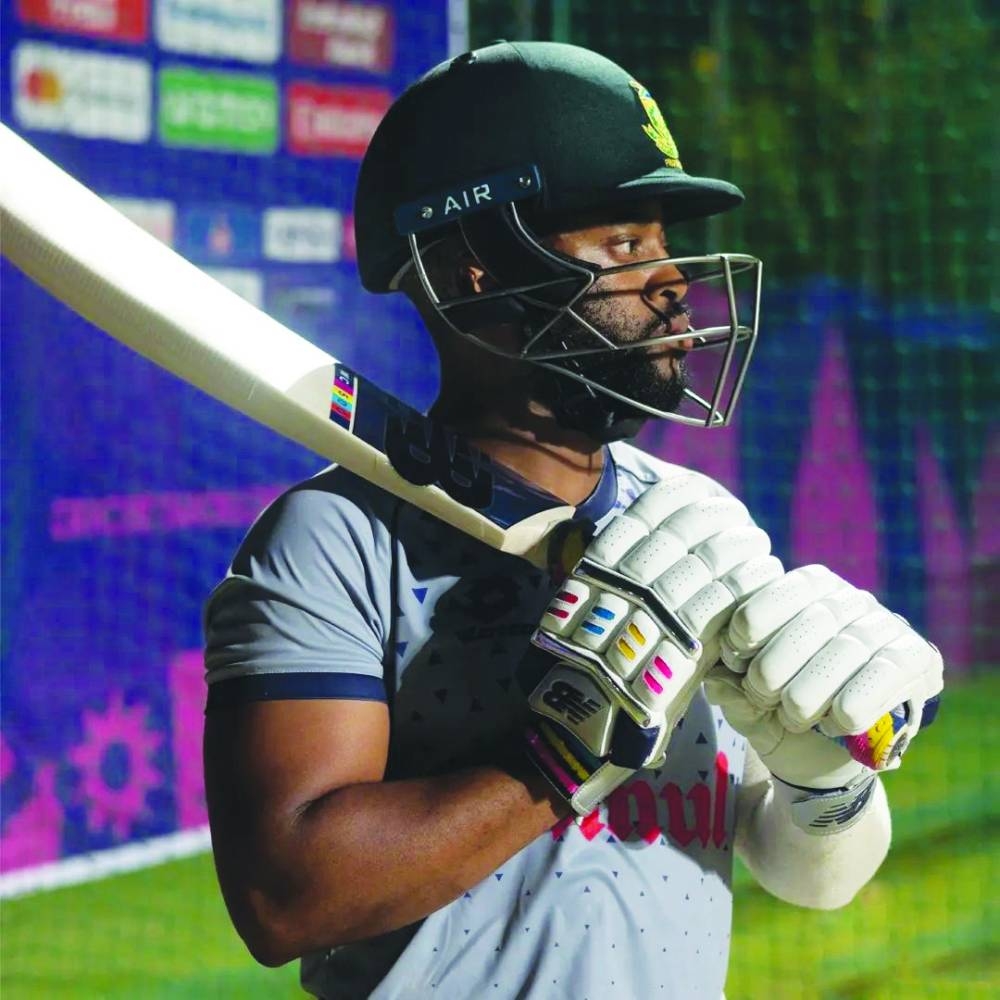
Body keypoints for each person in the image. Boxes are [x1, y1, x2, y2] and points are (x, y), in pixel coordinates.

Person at [202, 41, 943, 999]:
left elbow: (807, 874)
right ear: (474, 269)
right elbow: (286, 897)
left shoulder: (687, 519)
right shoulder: (335, 540)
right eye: (627, 246)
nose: (673, 279)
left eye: (664, 245)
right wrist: (562, 750)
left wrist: (821, 778)